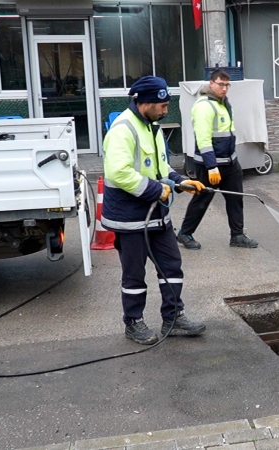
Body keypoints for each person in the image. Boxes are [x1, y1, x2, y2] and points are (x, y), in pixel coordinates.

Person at [102, 75, 207, 345]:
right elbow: (118, 172)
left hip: (157, 215)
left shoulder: (154, 127)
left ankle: (174, 318)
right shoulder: (123, 129)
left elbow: (162, 169)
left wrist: (181, 181)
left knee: (171, 265)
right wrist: (156, 190)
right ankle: (133, 323)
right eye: (161, 105)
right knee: (135, 274)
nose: (165, 109)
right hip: (131, 218)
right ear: (144, 103)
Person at [177, 69, 258, 250]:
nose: (224, 88)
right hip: (210, 166)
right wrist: (212, 166)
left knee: (235, 200)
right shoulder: (204, 106)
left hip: (230, 163)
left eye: (227, 85)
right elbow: (203, 139)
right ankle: (184, 233)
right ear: (211, 83)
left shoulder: (223, 103)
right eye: (221, 84)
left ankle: (237, 235)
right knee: (202, 200)